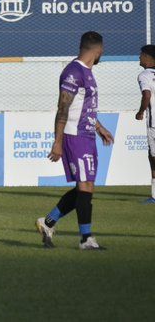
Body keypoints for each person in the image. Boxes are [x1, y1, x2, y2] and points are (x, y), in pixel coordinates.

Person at [36, 31, 114, 250]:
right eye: (102, 51)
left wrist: (99, 127)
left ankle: (48, 222)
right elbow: (63, 108)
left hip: (87, 134)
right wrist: (58, 141)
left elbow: (84, 106)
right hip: (74, 135)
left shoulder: (87, 72)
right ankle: (86, 239)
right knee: (85, 185)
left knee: (86, 188)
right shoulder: (73, 72)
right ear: (98, 50)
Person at [135, 44, 155, 204]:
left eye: (141, 55)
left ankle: (154, 196)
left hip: (154, 123)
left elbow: (146, 95)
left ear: (148, 58)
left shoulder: (144, 75)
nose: (139, 57)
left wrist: (141, 111)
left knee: (153, 156)